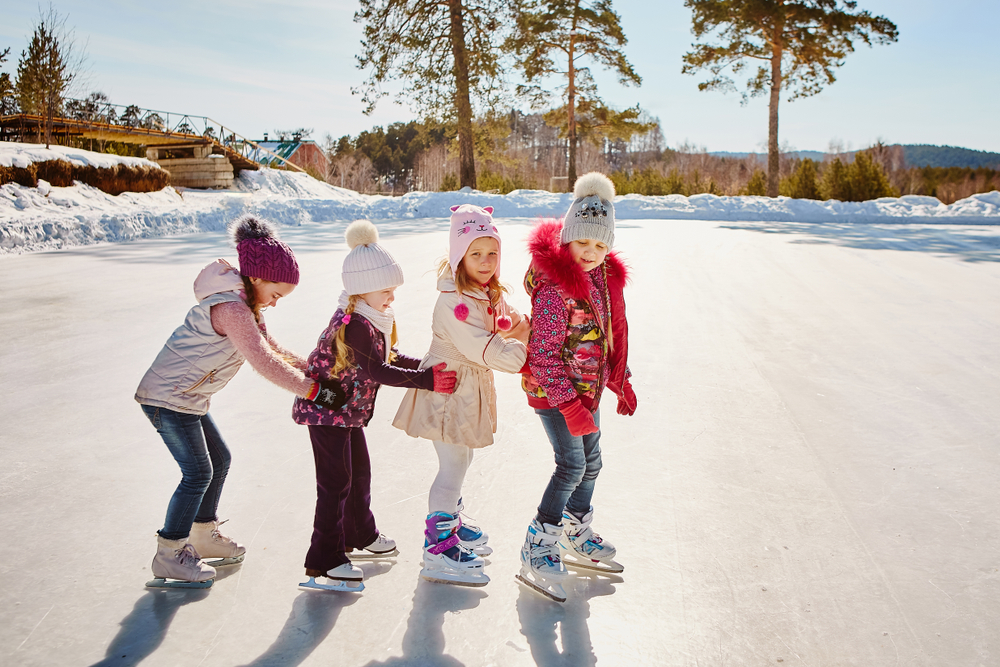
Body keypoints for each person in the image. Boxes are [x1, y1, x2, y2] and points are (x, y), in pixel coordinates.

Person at [136, 214, 345, 589]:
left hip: (188, 398)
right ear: (256, 279)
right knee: (198, 472)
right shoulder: (232, 310)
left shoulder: (247, 308)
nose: (276, 303)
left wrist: (314, 370)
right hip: (167, 399)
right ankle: (169, 552)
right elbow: (262, 361)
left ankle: (201, 533)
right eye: (276, 294)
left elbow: (274, 349)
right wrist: (316, 392)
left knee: (220, 460)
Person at [293, 220, 458, 593]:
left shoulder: (373, 320)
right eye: (387, 290)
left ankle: (360, 533)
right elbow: (377, 370)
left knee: (359, 474)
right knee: (335, 484)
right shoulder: (354, 325)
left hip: (344, 413)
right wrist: (429, 380)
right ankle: (326, 559)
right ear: (364, 289)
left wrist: (425, 365)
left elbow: (391, 356)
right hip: (327, 411)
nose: (392, 298)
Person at [393, 204, 530, 587]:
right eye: (475, 254)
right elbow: (483, 347)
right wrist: (529, 356)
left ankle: (449, 522)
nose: (486, 262)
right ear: (459, 257)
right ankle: (438, 548)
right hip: (447, 389)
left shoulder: (484, 292)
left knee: (462, 458)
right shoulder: (455, 301)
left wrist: (532, 332)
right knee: (451, 467)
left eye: (492, 253)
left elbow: (511, 320)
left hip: (464, 388)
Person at [516, 173, 636, 603]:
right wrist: (569, 405)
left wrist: (618, 380)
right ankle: (539, 542)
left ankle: (574, 532)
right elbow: (545, 356)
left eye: (601, 245)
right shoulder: (554, 289)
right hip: (555, 393)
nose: (591, 253)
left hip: (587, 391)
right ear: (567, 239)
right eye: (583, 243)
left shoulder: (602, 278)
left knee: (593, 462)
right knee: (571, 465)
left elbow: (608, 332)